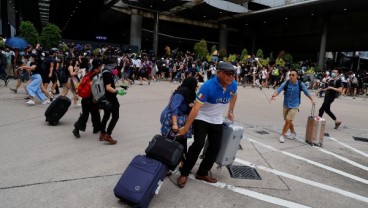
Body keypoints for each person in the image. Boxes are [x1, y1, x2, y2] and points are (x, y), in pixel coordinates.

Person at [176, 62, 238, 188]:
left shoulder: (233, 85)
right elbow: (196, 108)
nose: (231, 77)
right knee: (198, 144)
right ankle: (184, 172)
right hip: (202, 118)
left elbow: (235, 95)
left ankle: (202, 172)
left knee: (215, 146)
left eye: (233, 74)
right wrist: (186, 127)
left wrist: (230, 111)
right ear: (219, 73)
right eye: (228, 74)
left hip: (217, 120)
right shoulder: (208, 86)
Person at [160, 77, 198, 164]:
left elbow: (186, 104)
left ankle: (182, 162)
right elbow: (174, 107)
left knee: (181, 141)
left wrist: (192, 105)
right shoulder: (181, 92)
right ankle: (167, 163)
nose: (196, 87)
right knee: (172, 141)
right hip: (174, 119)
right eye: (195, 85)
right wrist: (174, 123)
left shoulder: (188, 92)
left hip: (180, 119)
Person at [271, 68, 315, 143]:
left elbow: (307, 92)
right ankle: (293, 132)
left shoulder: (300, 84)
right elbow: (279, 90)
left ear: (296, 76)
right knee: (288, 120)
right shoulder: (287, 83)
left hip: (294, 105)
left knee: (288, 120)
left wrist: (312, 99)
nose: (291, 76)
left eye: (293, 75)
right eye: (290, 75)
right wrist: (274, 96)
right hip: (286, 104)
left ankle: (282, 135)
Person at [72, 59, 102, 138]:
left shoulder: (89, 72)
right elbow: (95, 87)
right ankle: (79, 128)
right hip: (91, 97)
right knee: (94, 113)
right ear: (99, 66)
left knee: (90, 113)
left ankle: (96, 128)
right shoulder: (97, 74)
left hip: (85, 97)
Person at [99, 57, 126, 145]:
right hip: (110, 98)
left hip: (105, 97)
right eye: (114, 64)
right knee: (115, 116)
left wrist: (120, 86)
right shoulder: (107, 73)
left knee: (106, 115)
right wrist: (118, 91)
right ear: (111, 64)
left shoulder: (104, 71)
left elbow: (109, 85)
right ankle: (108, 135)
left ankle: (102, 134)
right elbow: (108, 87)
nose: (115, 66)